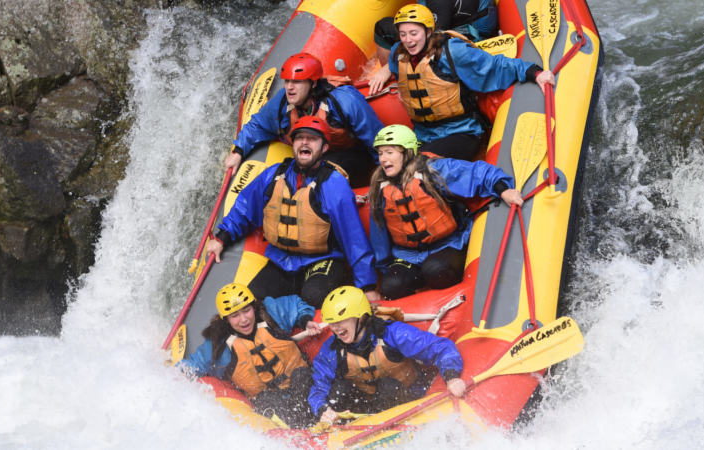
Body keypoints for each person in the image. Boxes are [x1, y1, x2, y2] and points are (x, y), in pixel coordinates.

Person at [205, 116, 381, 307]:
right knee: (252, 303)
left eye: (312, 138)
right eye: (300, 138)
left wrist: (368, 286)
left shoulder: (333, 184)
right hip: (282, 261)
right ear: (293, 144)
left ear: (324, 148)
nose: (305, 142)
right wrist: (222, 237)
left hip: (323, 260)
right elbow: (245, 208)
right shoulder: (273, 175)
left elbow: (354, 239)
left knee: (314, 295)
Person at [368, 3, 555, 161]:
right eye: (403, 34)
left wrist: (533, 72)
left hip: (461, 131)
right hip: (423, 134)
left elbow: (494, 66)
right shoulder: (398, 53)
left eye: (414, 33)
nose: (408, 40)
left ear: (429, 31)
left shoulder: (452, 52)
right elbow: (398, 69)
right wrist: (385, 72)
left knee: (418, 169)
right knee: (393, 168)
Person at [368, 124, 523, 299]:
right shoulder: (380, 187)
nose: (383, 159)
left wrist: (503, 189)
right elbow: (379, 234)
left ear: (407, 152)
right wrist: (385, 267)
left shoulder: (433, 170)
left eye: (389, 152)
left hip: (448, 243)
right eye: (380, 153)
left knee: (436, 271)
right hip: (408, 255)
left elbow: (478, 173)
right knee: (391, 286)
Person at [308, 285, 466, 423]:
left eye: (341, 321)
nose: (336, 328)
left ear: (361, 317)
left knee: (387, 388)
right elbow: (319, 387)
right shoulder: (331, 349)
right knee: (338, 391)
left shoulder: (393, 333)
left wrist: (451, 376)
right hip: (365, 408)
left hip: (405, 399)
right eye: (332, 322)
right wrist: (322, 410)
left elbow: (441, 348)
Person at [225, 52, 384, 184]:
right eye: (287, 81)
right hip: (316, 157)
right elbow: (258, 125)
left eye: (297, 82)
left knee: (318, 174)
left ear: (313, 83)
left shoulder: (345, 100)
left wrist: (385, 177)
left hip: (354, 156)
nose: (289, 87)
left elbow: (377, 140)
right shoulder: (283, 102)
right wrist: (238, 151)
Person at [178, 283, 322, 427]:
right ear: (226, 319)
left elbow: (296, 304)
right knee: (267, 401)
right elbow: (194, 365)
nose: (243, 319)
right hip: (268, 400)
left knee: (302, 376)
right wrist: (172, 373)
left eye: (246, 310)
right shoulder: (219, 344)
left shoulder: (271, 312)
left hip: (301, 382)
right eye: (235, 316)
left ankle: (323, 418)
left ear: (254, 307)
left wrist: (306, 321)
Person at [374, 0, 498, 57]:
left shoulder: (438, 3)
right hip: (475, 21)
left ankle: (392, 79)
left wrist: (389, 68)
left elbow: (433, 43)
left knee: (382, 28)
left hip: (470, 37)